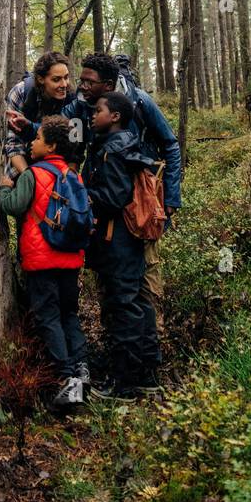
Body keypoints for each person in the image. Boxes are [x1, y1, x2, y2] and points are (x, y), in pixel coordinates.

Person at [8, 51, 181, 318]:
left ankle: (149, 347)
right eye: (81, 80)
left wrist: (171, 198)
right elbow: (60, 127)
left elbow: (170, 144)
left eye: (89, 81)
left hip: (141, 206)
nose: (80, 86)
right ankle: (117, 346)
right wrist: (29, 126)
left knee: (145, 279)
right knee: (109, 278)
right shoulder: (82, 106)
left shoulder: (139, 102)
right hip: (107, 207)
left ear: (108, 86)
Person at [0, 114, 90, 408]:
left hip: (42, 261)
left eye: (37, 139)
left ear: (50, 146)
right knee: (68, 315)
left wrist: (3, 187)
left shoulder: (33, 175)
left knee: (48, 317)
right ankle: (81, 368)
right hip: (70, 259)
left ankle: (65, 380)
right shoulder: (73, 175)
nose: (32, 143)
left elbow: (13, 206)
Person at [83, 91, 161, 396]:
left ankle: (125, 382)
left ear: (115, 116)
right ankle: (147, 374)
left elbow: (115, 197)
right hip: (125, 239)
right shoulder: (123, 144)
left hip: (118, 239)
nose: (93, 113)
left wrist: (85, 195)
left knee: (123, 305)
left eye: (99, 110)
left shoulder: (113, 149)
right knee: (137, 303)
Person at [3, 51, 71, 179]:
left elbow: (73, 141)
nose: (64, 85)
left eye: (66, 77)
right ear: (40, 79)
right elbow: (13, 144)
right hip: (20, 166)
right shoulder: (21, 92)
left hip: (56, 169)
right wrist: (30, 179)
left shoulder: (71, 98)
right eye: (56, 79)